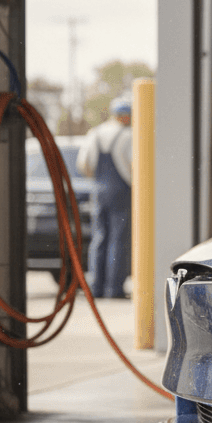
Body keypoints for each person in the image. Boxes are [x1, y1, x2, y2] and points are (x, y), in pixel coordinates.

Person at [77, 95, 133, 299]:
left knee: (99, 238)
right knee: (118, 239)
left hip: (99, 189)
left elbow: (83, 164)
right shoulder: (129, 135)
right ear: (126, 116)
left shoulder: (96, 133)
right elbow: (134, 165)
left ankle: (96, 287)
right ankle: (113, 288)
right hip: (121, 190)